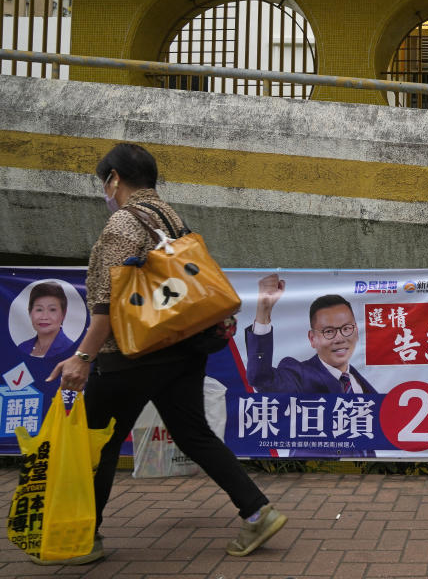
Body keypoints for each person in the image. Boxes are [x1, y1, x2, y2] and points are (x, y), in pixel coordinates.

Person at [46, 143, 286, 565]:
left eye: (104, 181)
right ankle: (257, 511)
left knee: (97, 443)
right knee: (194, 434)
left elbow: (107, 303)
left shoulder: (123, 223)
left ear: (114, 178)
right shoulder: (169, 216)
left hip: (132, 355)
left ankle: (83, 537)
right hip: (182, 347)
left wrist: (82, 358)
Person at [244, 273, 377, 395]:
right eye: (329, 331)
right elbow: (261, 379)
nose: (340, 338)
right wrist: (263, 312)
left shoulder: (361, 383)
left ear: (356, 332)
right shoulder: (299, 375)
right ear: (312, 339)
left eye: (347, 329)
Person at [18, 282, 74, 358]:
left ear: (63, 314)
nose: (44, 317)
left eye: (52, 310)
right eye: (39, 309)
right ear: (30, 312)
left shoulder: (72, 350)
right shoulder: (22, 347)